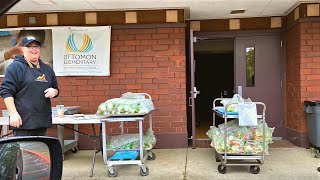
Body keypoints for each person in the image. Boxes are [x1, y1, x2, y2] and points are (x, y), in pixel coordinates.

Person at [0, 35, 59, 136]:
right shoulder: (15, 67)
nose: (34, 49)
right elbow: (6, 91)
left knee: (40, 150)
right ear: (23, 49)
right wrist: (13, 114)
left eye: (36, 47)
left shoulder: (47, 69)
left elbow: (56, 88)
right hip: (23, 122)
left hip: (42, 121)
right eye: (30, 47)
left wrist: (54, 91)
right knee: (25, 151)